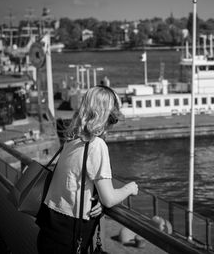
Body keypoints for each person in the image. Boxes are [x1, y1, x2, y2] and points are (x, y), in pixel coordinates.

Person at [36, 85, 138, 254]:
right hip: (68, 237)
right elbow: (109, 199)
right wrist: (129, 189)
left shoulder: (72, 141)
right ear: (106, 116)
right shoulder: (96, 146)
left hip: (49, 230)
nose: (113, 123)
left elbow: (74, 183)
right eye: (113, 118)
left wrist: (95, 196)